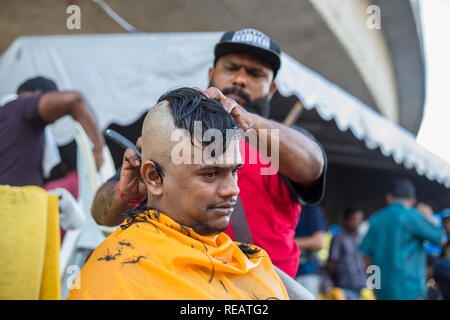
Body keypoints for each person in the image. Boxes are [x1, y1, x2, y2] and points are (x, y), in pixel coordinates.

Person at [90, 28, 327, 279]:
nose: (240, 80)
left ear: (272, 89)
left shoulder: (281, 145)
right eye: (232, 68)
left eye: (255, 74)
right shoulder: (174, 134)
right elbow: (100, 214)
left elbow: (312, 165)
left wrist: (248, 121)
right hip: (181, 285)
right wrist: (126, 193)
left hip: (265, 293)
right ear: (211, 74)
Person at [67, 88, 289, 299]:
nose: (233, 189)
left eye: (235, 171)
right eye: (210, 174)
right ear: (153, 177)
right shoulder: (116, 274)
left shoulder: (254, 263)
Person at [0, 76, 105, 186]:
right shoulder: (21, 107)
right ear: (39, 95)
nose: (54, 123)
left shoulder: (6, 115)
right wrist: (98, 149)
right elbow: (75, 100)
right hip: (13, 201)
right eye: (54, 117)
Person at [359, 178, 445, 300]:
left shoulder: (375, 219)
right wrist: (429, 217)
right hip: (411, 291)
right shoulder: (413, 216)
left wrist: (375, 284)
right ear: (412, 200)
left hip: (383, 292)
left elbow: (366, 257)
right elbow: (440, 238)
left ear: (389, 197)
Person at [327, 207, 367, 300]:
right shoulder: (338, 238)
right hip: (344, 285)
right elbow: (331, 263)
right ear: (346, 220)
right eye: (354, 219)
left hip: (361, 284)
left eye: (359, 219)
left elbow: (365, 261)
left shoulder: (361, 238)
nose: (357, 222)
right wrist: (336, 284)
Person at [293, 204, 327, 297]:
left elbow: (319, 242)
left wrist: (285, 241)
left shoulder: (311, 209)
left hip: (305, 271)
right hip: (285, 271)